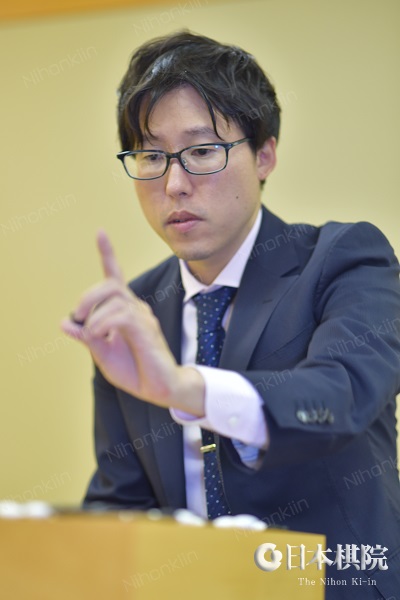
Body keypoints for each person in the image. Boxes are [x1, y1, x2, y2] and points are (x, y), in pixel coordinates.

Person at [61, 31, 400, 598]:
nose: (174, 184)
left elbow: (339, 398)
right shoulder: (137, 312)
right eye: (151, 156)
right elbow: (124, 502)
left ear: (264, 154)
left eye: (201, 151)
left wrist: (185, 388)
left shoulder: (343, 260)